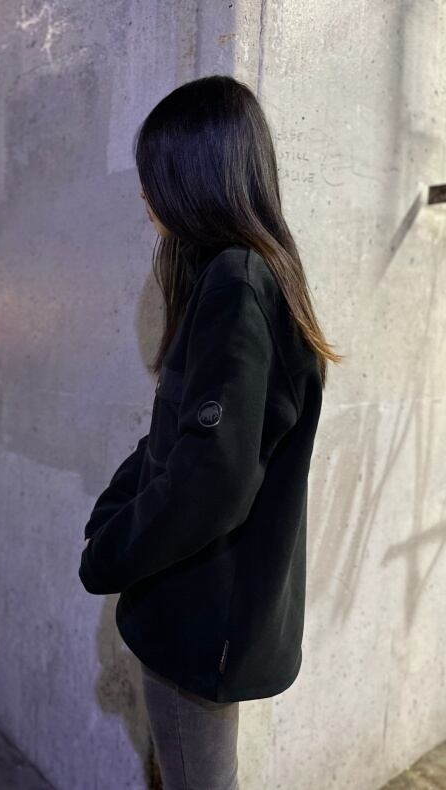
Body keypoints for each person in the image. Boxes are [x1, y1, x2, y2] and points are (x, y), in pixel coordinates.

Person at [78, 74, 342, 790]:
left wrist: (111, 553)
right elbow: (178, 437)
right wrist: (113, 514)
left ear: (196, 176)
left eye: (157, 173)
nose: (146, 193)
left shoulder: (237, 282)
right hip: (200, 605)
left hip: (199, 615)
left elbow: (211, 480)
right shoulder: (242, 277)